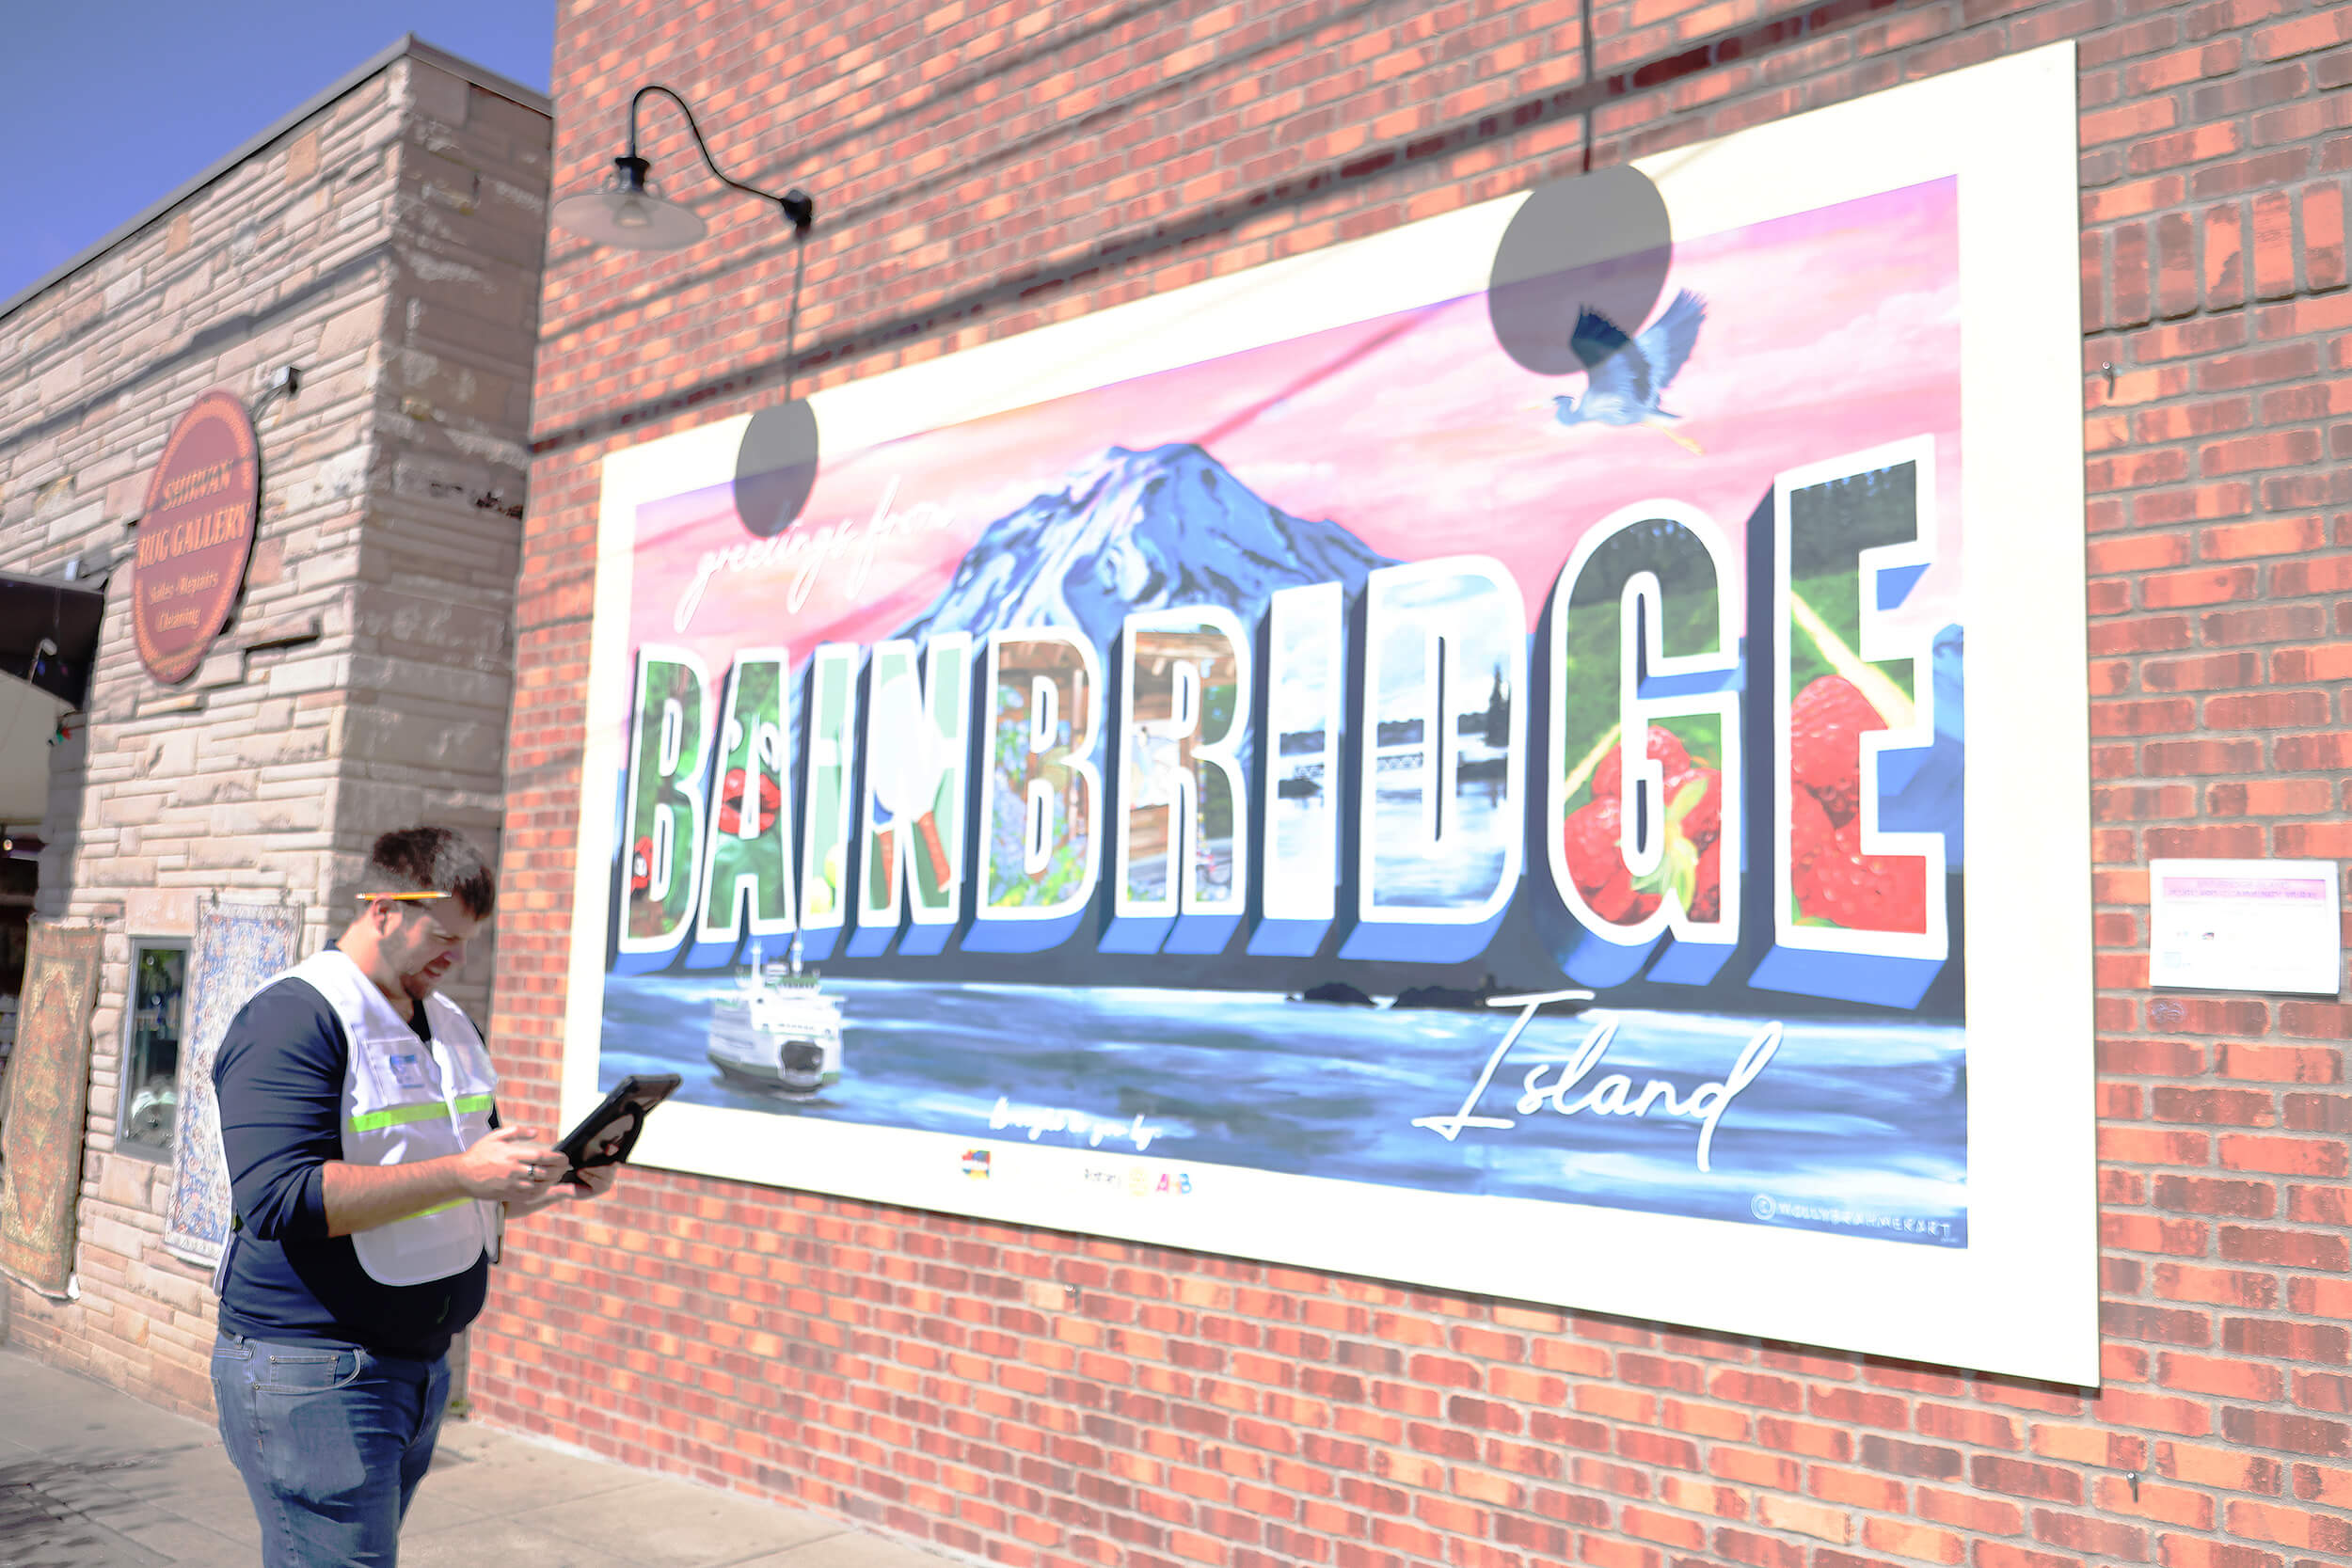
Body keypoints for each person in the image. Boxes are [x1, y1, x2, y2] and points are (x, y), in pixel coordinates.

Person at [210, 826, 614, 1567]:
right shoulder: (292, 1017)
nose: (456, 958)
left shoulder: (453, 1026)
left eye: (468, 941)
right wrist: (464, 1173)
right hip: (316, 1368)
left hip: (416, 1371)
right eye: (443, 935)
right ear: (385, 908)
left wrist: (546, 1183)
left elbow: (465, 1187)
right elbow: (278, 1197)